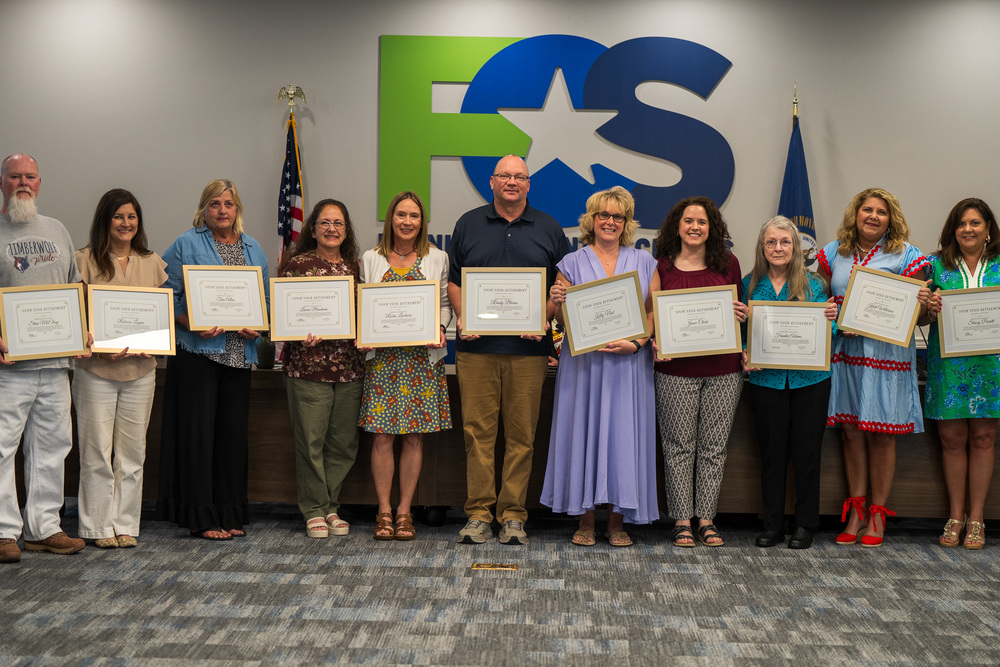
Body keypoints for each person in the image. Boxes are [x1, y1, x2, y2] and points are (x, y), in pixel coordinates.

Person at [447, 155, 569, 545]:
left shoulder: (549, 228)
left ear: (528, 184)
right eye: (505, 176)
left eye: (519, 176)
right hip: (476, 352)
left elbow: (560, 288)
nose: (512, 182)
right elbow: (454, 281)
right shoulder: (468, 223)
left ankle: (514, 515)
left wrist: (544, 318)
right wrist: (466, 315)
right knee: (477, 434)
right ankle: (480, 514)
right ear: (492, 181)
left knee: (522, 437)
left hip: (529, 354)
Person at [541, 186, 658, 547]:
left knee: (624, 436)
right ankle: (586, 518)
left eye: (617, 216)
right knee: (584, 434)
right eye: (603, 215)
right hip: (584, 365)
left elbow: (654, 312)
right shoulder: (571, 263)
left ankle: (618, 522)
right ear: (591, 220)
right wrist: (557, 301)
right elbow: (559, 316)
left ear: (627, 223)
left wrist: (636, 343)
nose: (610, 221)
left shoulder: (644, 262)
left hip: (628, 363)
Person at [816, 187, 930, 548]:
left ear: (891, 219)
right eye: (867, 209)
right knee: (850, 431)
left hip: (887, 357)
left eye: (882, 212)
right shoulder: (834, 252)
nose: (873, 216)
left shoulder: (906, 256)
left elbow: (922, 315)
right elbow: (815, 296)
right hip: (844, 353)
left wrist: (925, 303)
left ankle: (878, 513)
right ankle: (856, 510)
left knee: (881, 435)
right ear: (856, 214)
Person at [156, 179, 269, 541]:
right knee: (199, 438)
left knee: (232, 439)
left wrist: (259, 327)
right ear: (204, 208)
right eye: (215, 204)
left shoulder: (255, 250)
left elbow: (264, 301)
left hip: (239, 355)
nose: (223, 210)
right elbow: (164, 295)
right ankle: (201, 516)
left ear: (238, 210)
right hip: (198, 355)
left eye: (229, 204)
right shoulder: (185, 244)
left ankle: (230, 512)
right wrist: (189, 320)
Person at [0, 153, 87, 564]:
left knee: (53, 446)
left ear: (39, 182)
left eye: (29, 176)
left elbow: (74, 287)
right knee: (2, 448)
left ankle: (43, 527)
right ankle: (2, 531)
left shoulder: (56, 229)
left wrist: (81, 328)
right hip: (8, 368)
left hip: (55, 365)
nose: (23, 182)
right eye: (15, 176)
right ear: (2, 181)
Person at [73, 189, 168, 549]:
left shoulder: (152, 262)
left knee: (132, 453)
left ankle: (125, 524)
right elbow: (77, 316)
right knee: (96, 451)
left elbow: (160, 320)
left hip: (141, 371)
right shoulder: (84, 260)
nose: (126, 223)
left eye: (131, 216)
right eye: (118, 216)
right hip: (96, 372)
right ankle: (97, 526)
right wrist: (98, 349)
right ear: (105, 221)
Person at [653, 196, 748, 548]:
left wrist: (741, 314)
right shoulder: (660, 266)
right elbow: (653, 316)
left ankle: (707, 520)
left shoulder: (729, 263)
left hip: (723, 369)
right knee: (677, 446)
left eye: (702, 222)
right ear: (677, 226)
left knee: (713, 448)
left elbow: (739, 309)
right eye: (689, 220)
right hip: (675, 371)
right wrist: (656, 340)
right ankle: (681, 520)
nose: (695, 227)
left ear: (712, 228)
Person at [358, 191, 451, 541]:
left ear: (422, 221)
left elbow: (444, 304)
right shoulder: (371, 258)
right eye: (401, 215)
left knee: (413, 437)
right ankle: (383, 510)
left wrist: (440, 327)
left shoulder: (437, 257)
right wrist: (363, 331)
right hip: (383, 359)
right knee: (382, 436)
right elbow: (364, 302)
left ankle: (404, 511)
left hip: (420, 361)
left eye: (414, 216)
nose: (407, 222)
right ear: (390, 219)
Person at [741, 216, 837, 550]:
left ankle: (805, 524)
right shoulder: (749, 284)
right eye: (771, 242)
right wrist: (742, 346)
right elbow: (741, 335)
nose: (778, 248)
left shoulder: (816, 285)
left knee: (807, 453)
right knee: (772, 454)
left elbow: (828, 335)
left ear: (796, 247)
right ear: (762, 246)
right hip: (766, 381)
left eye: (785, 241)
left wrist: (833, 320)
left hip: (810, 381)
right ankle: (772, 524)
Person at [279, 199, 364, 539]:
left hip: (350, 370)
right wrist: (300, 333)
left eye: (338, 223)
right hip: (308, 368)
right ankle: (313, 509)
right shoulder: (297, 266)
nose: (332, 229)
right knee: (311, 442)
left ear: (346, 230)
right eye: (325, 223)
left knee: (343, 444)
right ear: (312, 229)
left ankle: (331, 505)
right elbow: (284, 317)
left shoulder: (357, 269)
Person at [919, 198, 1000, 550]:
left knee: (983, 438)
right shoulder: (935, 265)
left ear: (988, 229)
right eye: (962, 223)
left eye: (975, 223)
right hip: (947, 365)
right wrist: (928, 308)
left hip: (991, 366)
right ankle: (955, 516)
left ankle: (978, 519)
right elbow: (920, 320)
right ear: (953, 229)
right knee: (951, 440)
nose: (968, 229)